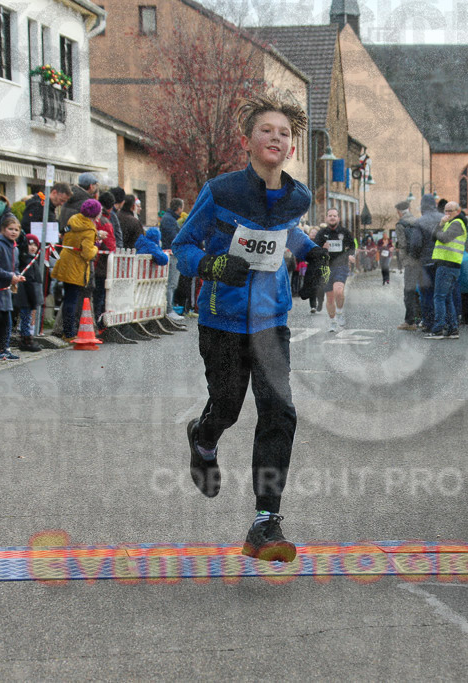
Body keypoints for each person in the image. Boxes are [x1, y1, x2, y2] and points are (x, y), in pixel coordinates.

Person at [172, 92, 329, 563]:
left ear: (292, 148)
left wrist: (312, 256)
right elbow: (183, 246)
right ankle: (204, 436)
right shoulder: (221, 192)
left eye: (284, 133)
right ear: (248, 141)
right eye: (267, 130)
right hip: (221, 320)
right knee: (228, 405)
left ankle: (265, 521)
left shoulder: (297, 196)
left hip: (271, 322)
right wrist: (214, 266)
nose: (275, 138)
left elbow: (287, 233)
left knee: (279, 411)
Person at [51, 198, 100, 340]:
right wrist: (96, 247)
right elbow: (87, 253)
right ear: (95, 214)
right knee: (72, 300)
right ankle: (69, 333)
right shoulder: (89, 229)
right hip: (76, 265)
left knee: (68, 298)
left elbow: (65, 235)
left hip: (65, 260)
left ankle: (66, 330)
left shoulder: (73, 219)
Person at [0, 214, 26, 359]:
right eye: (10, 229)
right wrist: (10, 276)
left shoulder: (15, 248)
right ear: (3, 229)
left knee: (7, 321)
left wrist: (17, 275)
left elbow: (15, 266)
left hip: (6, 290)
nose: (13, 232)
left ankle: (3, 348)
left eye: (16, 230)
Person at [425, 201, 468, 340]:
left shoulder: (457, 223)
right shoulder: (449, 223)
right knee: (447, 298)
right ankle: (452, 328)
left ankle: (438, 329)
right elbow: (433, 236)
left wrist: (441, 227)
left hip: (448, 265)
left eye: (451, 211)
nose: (447, 214)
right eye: (446, 211)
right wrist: (440, 224)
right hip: (447, 264)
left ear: (457, 211)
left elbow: (443, 238)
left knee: (439, 297)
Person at [313, 207, 355, 333]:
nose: (332, 217)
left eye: (334, 216)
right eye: (330, 215)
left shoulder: (344, 232)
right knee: (330, 297)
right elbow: (315, 250)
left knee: (338, 290)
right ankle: (332, 322)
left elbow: (352, 246)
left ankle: (340, 312)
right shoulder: (321, 234)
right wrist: (323, 248)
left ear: (338, 218)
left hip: (341, 266)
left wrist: (351, 255)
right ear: (326, 218)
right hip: (326, 267)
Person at [415, 193, 442, 333]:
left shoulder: (419, 222)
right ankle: (443, 322)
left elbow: (416, 244)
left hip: (425, 262)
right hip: (442, 261)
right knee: (441, 294)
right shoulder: (442, 219)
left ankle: (428, 322)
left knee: (426, 294)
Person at [91, 192, 118, 328]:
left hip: (97, 264)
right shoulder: (104, 222)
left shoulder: (101, 221)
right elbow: (110, 245)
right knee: (100, 296)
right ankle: (98, 324)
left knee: (98, 296)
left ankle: (97, 322)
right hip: (102, 265)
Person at [394, 199, 422, 330]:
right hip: (422, 260)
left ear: (399, 212)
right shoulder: (418, 221)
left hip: (410, 262)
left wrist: (402, 261)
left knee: (409, 292)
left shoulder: (401, 224)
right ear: (409, 210)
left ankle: (410, 322)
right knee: (421, 291)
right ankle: (422, 318)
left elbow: (403, 244)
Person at [14, 234, 44, 352]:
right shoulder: (26, 261)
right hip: (26, 296)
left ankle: (27, 338)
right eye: (30, 244)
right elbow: (30, 282)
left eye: (35, 245)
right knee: (25, 319)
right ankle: (26, 340)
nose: (32, 247)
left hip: (29, 296)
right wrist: (33, 300)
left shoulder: (32, 259)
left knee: (27, 319)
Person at [160, 197, 185, 321]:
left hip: (170, 253)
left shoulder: (167, 219)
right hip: (172, 254)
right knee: (171, 283)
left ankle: (169, 308)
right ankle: (169, 309)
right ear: (179, 208)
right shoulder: (170, 221)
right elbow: (174, 238)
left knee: (171, 283)